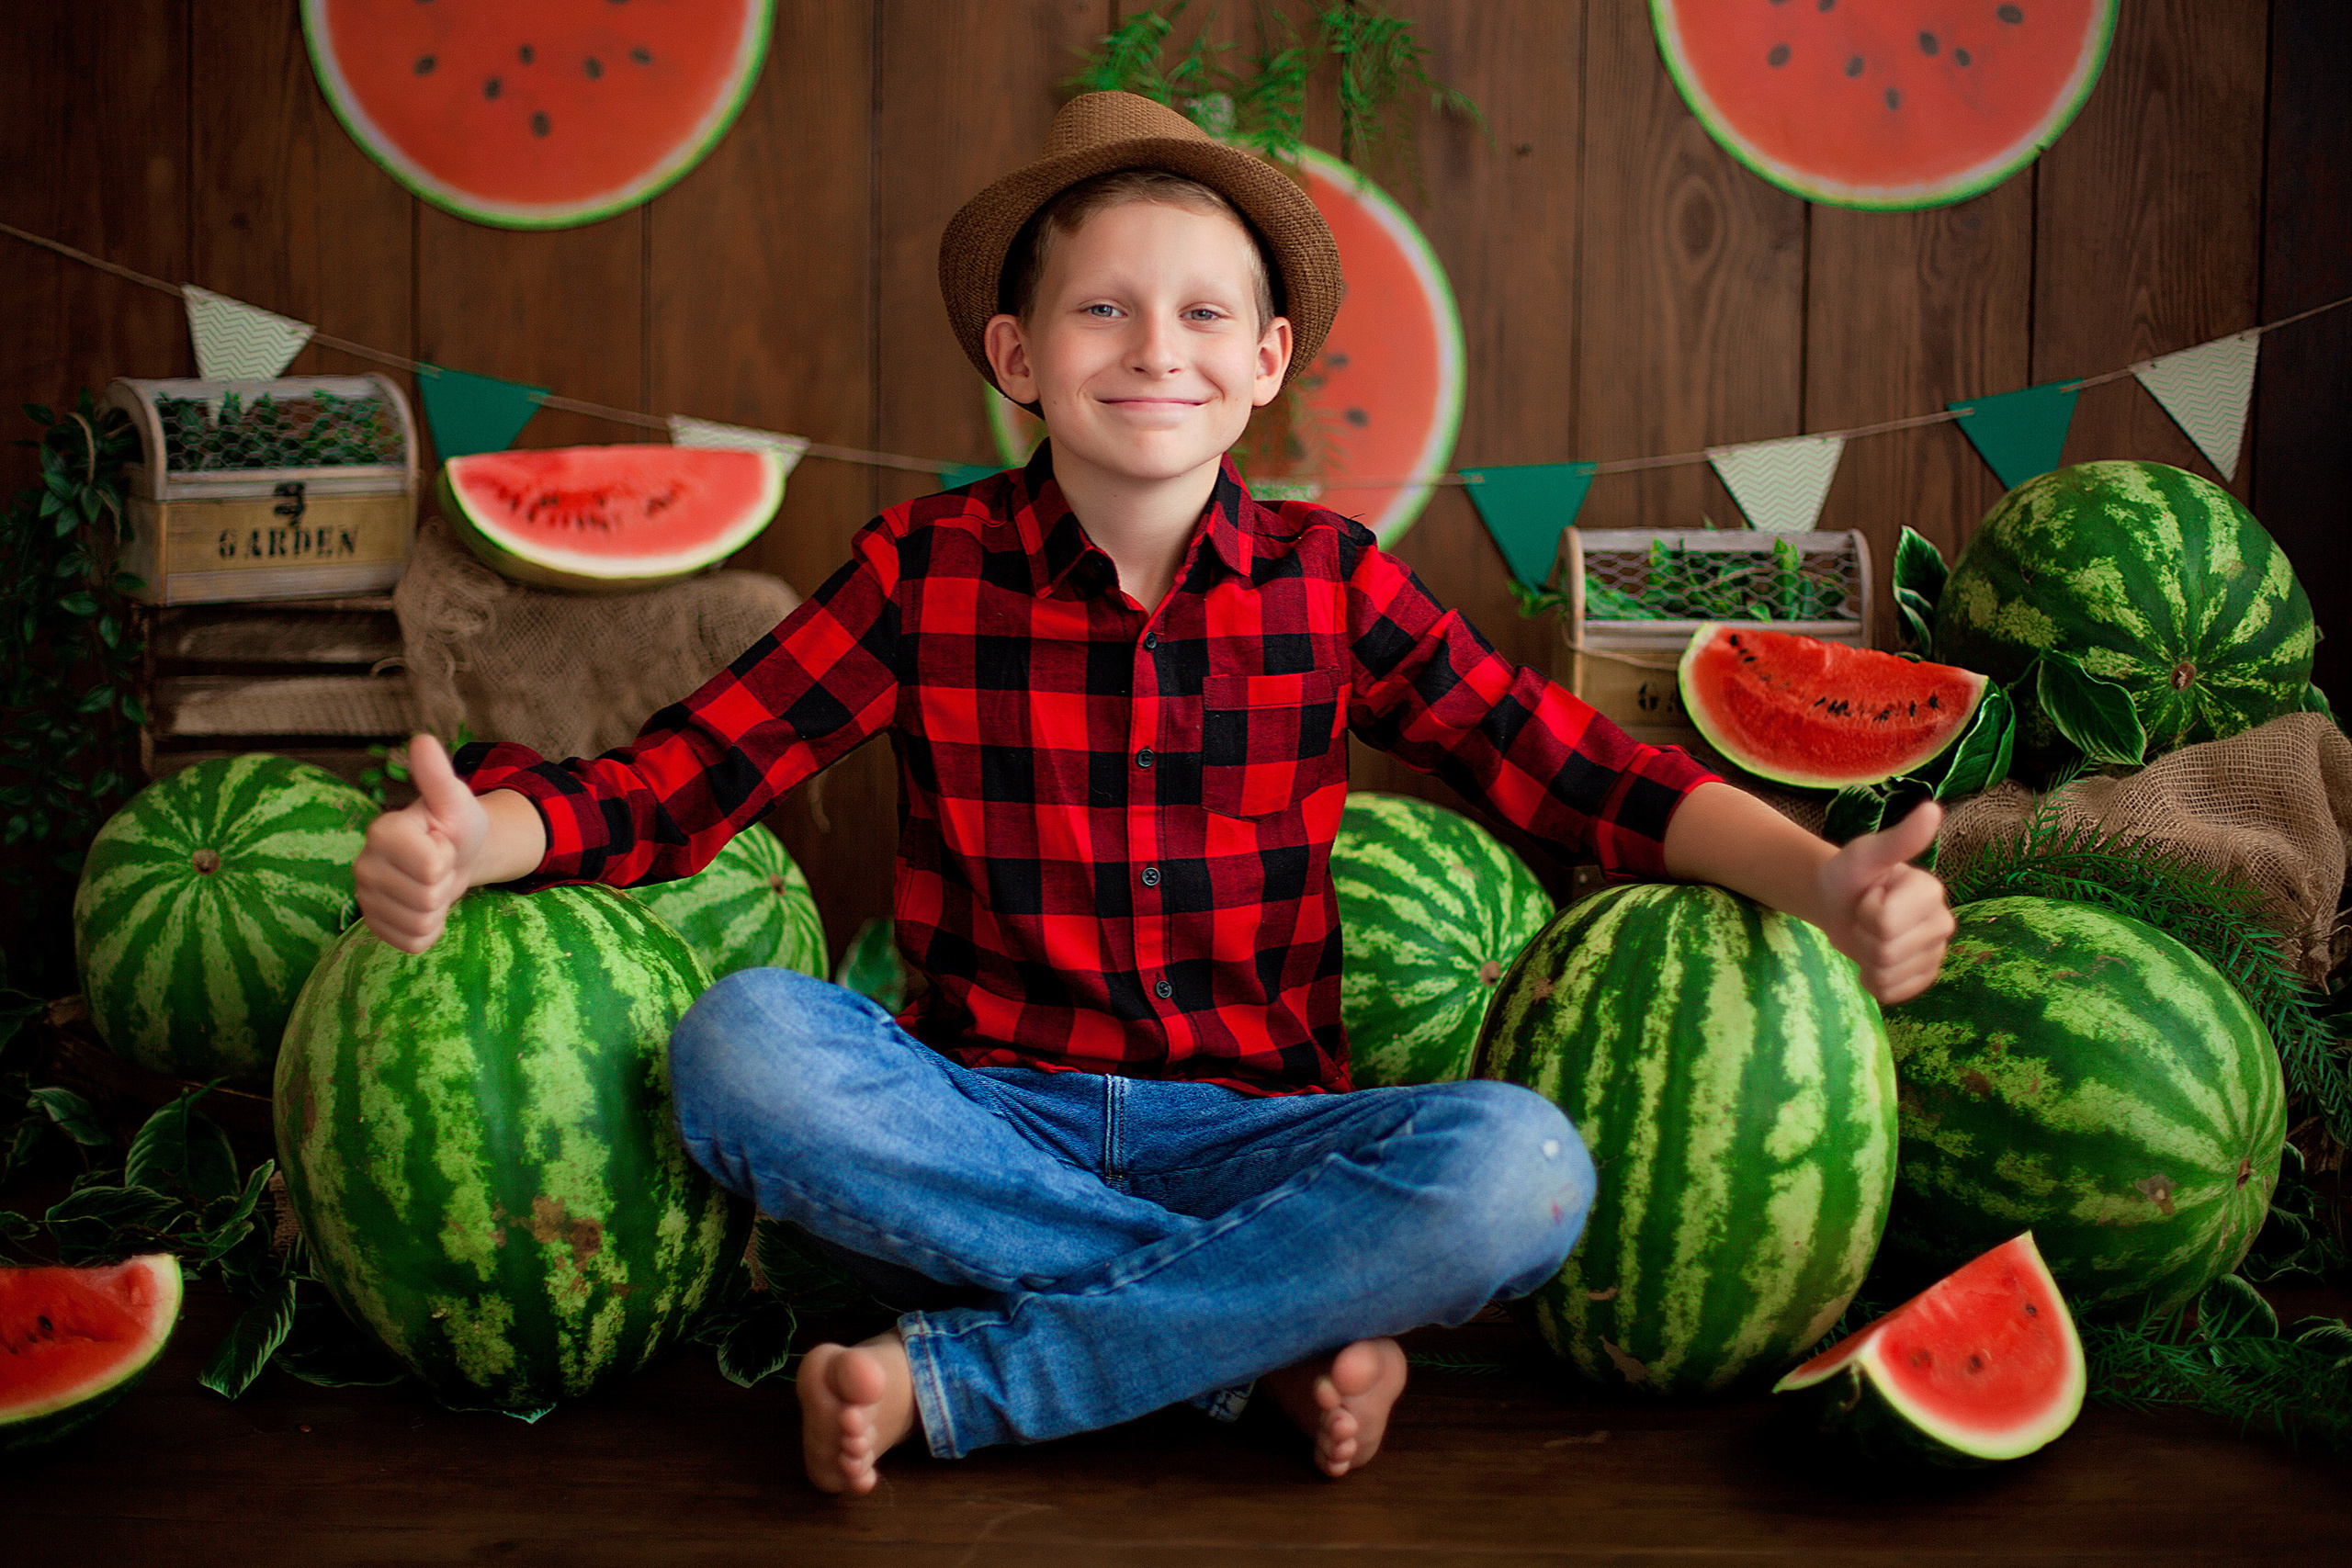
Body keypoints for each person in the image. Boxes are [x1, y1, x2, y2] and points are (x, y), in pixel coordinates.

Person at [353, 92, 1954, 1495]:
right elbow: (684, 777)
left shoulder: (1331, 585)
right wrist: (473, 836)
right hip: (979, 1117)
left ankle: (980, 1377)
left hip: (1267, 1140)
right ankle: (1261, 1341)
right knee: (742, 1048)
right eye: (1103, 312)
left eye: (1201, 317)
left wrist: (1824, 881)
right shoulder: (926, 573)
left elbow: (1580, 774)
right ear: (1019, 357)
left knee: (1522, 1169)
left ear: (1265, 365)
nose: (1153, 350)